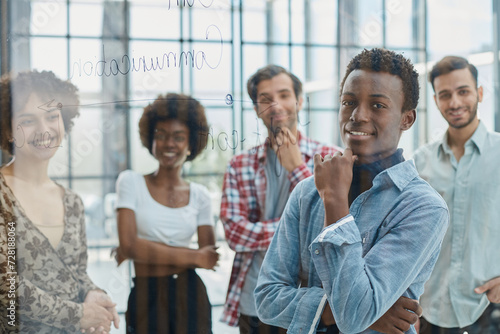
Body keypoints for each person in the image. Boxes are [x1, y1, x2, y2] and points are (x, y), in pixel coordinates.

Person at [255, 48, 449, 334]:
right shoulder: (307, 192)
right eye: (349, 102)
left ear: (406, 119)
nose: (358, 116)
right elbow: (267, 298)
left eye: (378, 105)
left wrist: (334, 202)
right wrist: (354, 311)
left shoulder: (423, 207)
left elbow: (355, 313)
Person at [0, 70, 119, 333]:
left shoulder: (73, 202)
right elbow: (5, 285)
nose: (44, 130)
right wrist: (79, 315)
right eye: (28, 120)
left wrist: (94, 294)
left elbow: (75, 273)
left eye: (52, 116)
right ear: (8, 129)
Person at [113, 93, 219, 334]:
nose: (169, 144)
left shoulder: (200, 195)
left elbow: (210, 258)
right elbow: (129, 246)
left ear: (191, 144)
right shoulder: (130, 182)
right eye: (160, 135)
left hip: (191, 296)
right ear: (150, 140)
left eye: (179, 137)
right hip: (146, 297)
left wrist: (144, 249)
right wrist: (194, 256)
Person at [413, 56, 500, 333]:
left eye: (463, 91)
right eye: (445, 95)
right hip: (429, 310)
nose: (454, 103)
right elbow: (409, 237)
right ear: (436, 100)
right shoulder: (420, 162)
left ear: (480, 93)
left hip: (489, 307)